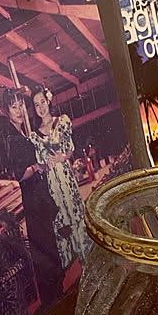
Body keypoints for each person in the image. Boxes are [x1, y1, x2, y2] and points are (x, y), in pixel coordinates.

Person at [1, 88, 64, 307]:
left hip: (36, 199)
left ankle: (54, 294)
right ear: (6, 111)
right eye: (14, 107)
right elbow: (19, 174)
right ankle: (54, 298)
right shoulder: (14, 138)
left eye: (21, 105)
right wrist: (38, 166)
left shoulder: (19, 134)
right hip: (34, 200)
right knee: (46, 247)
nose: (19, 110)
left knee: (46, 246)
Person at [30, 86, 92, 271]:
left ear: (48, 101)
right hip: (52, 185)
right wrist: (44, 164)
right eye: (36, 105)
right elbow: (39, 163)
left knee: (77, 218)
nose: (41, 107)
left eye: (42, 102)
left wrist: (62, 157)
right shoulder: (35, 135)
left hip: (67, 180)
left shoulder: (62, 121)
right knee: (62, 226)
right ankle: (74, 271)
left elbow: (70, 149)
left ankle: (89, 262)